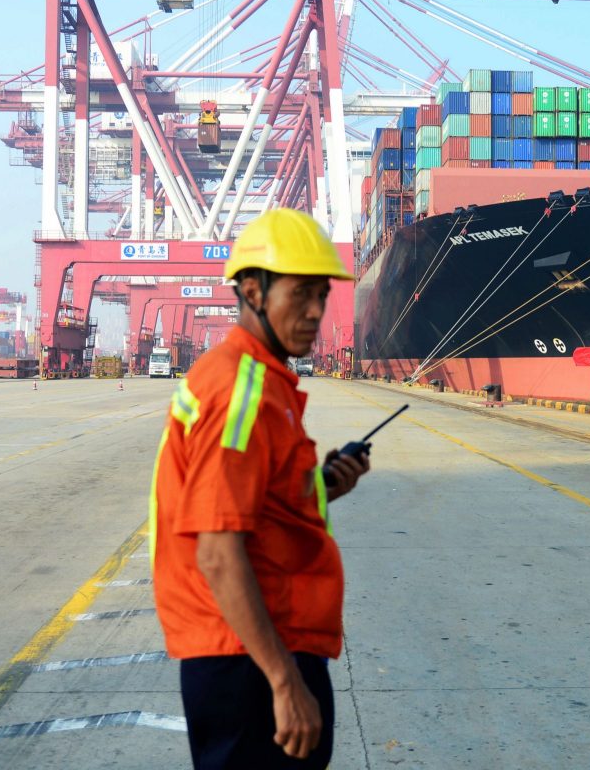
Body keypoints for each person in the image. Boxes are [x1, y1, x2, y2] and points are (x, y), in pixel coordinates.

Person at [150, 208, 370, 770]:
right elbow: (218, 552)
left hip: (254, 645)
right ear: (252, 290)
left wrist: (321, 487)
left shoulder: (260, 382)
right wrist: (284, 681)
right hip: (247, 658)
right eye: (300, 295)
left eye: (321, 296)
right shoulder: (240, 390)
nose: (316, 312)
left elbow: (258, 507)